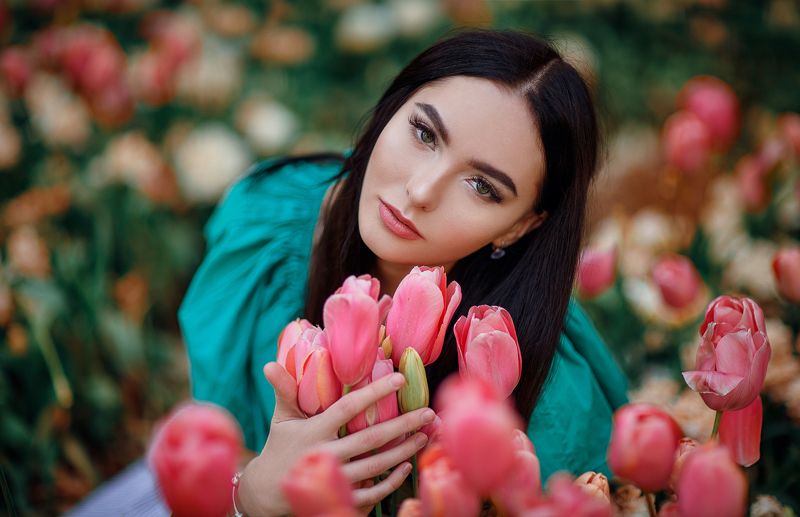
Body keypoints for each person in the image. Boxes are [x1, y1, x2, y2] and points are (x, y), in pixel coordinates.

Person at [177, 28, 628, 515]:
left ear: (519, 226)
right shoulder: (268, 226)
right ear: (394, 105)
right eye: (424, 133)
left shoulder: (530, 367)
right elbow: (204, 445)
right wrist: (252, 493)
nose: (421, 191)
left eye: (481, 185)